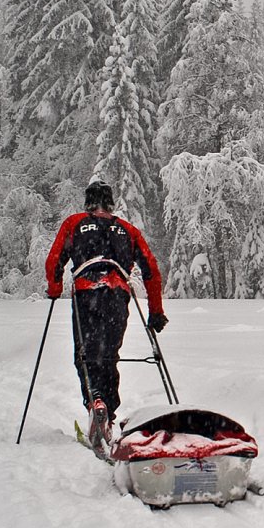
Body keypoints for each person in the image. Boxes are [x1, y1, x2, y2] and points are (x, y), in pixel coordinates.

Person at [45, 181, 167, 459]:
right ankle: (108, 416)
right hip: (118, 294)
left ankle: (95, 401)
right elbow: (151, 269)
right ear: (110, 203)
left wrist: (53, 288)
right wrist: (155, 311)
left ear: (88, 202)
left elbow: (55, 259)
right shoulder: (127, 229)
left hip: (87, 292)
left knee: (86, 354)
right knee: (109, 355)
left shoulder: (74, 223)